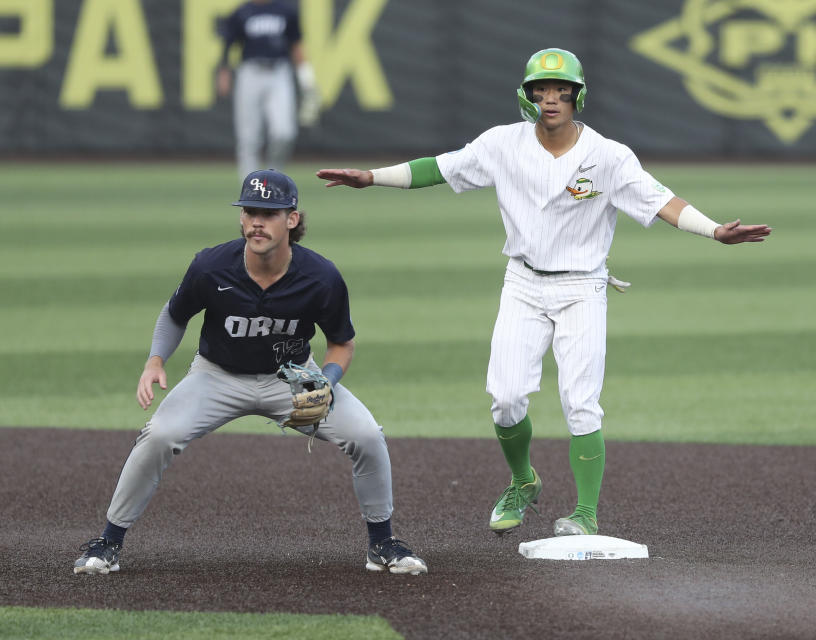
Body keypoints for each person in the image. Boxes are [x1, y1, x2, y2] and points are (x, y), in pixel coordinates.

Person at [315, 48, 771, 539]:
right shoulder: (502, 144)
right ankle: (523, 480)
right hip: (524, 283)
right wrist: (371, 178)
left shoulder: (608, 155)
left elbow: (662, 201)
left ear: (578, 97)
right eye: (541, 90)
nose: (551, 99)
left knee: (581, 402)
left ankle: (586, 513)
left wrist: (714, 231)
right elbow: (439, 168)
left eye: (561, 91)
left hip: (583, 287)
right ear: (526, 95)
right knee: (506, 399)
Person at [73, 169, 427, 576]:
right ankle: (108, 542)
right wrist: (155, 360)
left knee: (367, 437)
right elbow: (175, 315)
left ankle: (382, 542)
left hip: (292, 378)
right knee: (159, 436)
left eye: (270, 212)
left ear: (291, 219)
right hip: (216, 377)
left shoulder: (320, 276)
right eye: (250, 211)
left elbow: (342, 342)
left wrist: (325, 382)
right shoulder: (211, 266)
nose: (257, 221)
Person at [216, 0, 320, 181]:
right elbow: (228, 44)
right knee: (248, 136)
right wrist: (224, 71)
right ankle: (249, 186)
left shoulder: (285, 10)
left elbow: (296, 45)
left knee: (284, 132)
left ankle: (274, 176)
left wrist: (306, 79)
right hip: (250, 73)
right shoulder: (242, 12)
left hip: (279, 72)